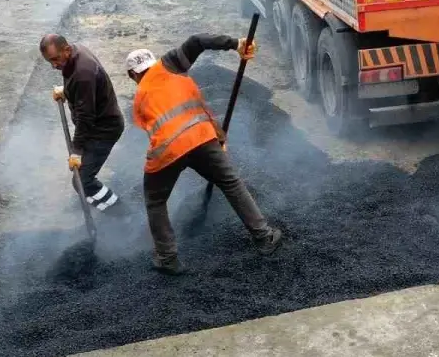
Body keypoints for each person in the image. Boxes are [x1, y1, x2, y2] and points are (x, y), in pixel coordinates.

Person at [126, 33, 283, 275]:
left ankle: (168, 258)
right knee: (231, 182)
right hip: (201, 137)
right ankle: (264, 237)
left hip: (167, 151)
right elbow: (197, 41)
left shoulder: (139, 98)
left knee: (156, 201)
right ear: (153, 62)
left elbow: (159, 132)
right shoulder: (169, 65)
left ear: (132, 75)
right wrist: (236, 44)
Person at [41, 34, 124, 212]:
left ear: (67, 50)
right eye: (50, 61)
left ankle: (119, 212)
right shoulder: (75, 53)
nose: (54, 65)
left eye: (55, 59)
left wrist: (76, 151)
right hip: (97, 125)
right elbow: (87, 87)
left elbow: (85, 117)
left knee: (82, 181)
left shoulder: (83, 73)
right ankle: (105, 204)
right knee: (81, 178)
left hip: (103, 130)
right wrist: (68, 91)